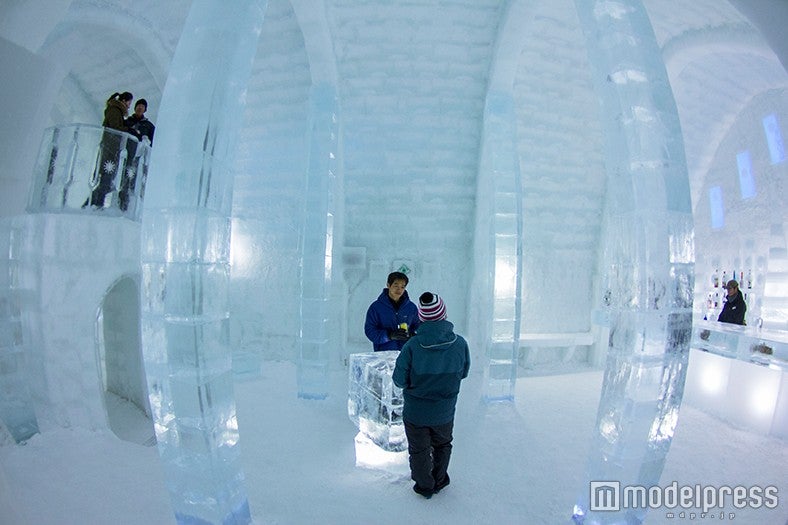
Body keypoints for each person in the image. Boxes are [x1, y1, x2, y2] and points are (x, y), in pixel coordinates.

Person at [393, 292, 470, 499]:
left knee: (419, 450)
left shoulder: (411, 346)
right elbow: (464, 372)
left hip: (415, 413)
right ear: (444, 314)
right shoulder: (460, 344)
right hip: (445, 412)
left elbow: (399, 380)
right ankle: (439, 479)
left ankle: (425, 485)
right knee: (442, 444)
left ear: (422, 318)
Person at [84, 92, 136, 209]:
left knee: (107, 179)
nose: (129, 106)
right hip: (110, 149)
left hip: (112, 149)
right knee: (106, 179)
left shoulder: (116, 111)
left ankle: (95, 204)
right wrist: (128, 130)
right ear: (123, 100)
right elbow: (114, 128)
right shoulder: (114, 110)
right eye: (129, 102)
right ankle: (94, 204)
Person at [364, 271, 420, 351]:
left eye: (402, 287)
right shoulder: (376, 307)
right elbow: (370, 330)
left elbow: (419, 326)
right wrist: (389, 335)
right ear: (388, 285)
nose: (399, 289)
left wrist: (412, 334)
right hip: (384, 355)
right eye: (396, 285)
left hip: (406, 354)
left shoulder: (411, 308)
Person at [119, 98, 156, 211]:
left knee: (136, 181)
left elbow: (153, 142)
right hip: (126, 154)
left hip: (139, 158)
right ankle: (121, 204)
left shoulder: (148, 126)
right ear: (135, 108)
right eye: (138, 106)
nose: (140, 108)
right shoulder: (128, 121)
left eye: (142, 106)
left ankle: (132, 206)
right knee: (123, 178)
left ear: (145, 109)